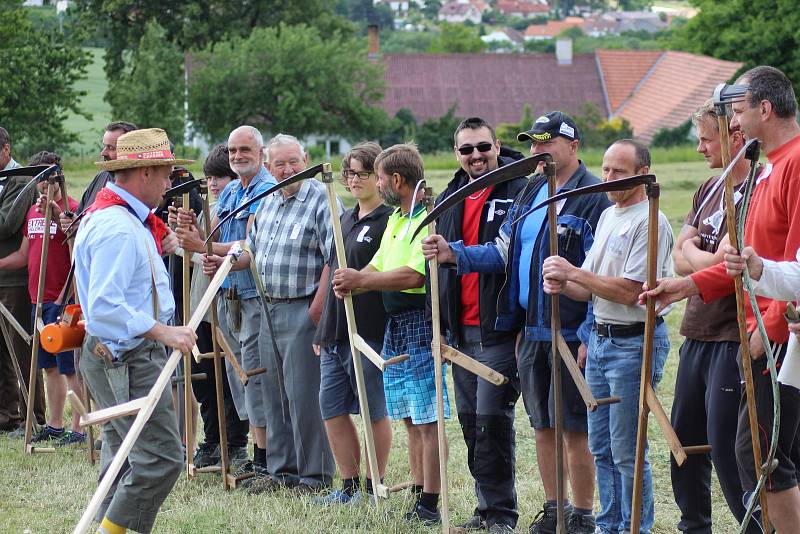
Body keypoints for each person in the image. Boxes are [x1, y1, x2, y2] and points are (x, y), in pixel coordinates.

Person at [423, 111, 608, 533]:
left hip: (570, 328)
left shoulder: (594, 196)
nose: (538, 150)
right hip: (530, 330)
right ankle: (554, 508)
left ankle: (582, 515)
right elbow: (503, 251)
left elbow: (601, 272)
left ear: (573, 146)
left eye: (547, 142)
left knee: (574, 428)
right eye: (533, 143)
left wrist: (587, 332)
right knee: (542, 425)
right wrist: (454, 253)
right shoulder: (531, 194)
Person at [641, 65, 800, 534]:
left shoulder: (794, 164)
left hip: (778, 338)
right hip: (762, 332)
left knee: (768, 458)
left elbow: (791, 266)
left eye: (737, 113)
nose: (734, 125)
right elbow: (747, 264)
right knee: (759, 455)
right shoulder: (770, 169)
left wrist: (765, 331)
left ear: (764, 110)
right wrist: (688, 285)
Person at [542, 139, 673, 534]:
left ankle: (635, 527)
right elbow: (591, 288)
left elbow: (633, 292)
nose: (609, 178)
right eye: (606, 169)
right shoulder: (609, 216)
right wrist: (564, 284)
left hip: (633, 342)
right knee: (600, 445)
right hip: (600, 341)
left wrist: (574, 272)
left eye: (619, 171)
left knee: (627, 449)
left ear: (642, 174)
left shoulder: (650, 220)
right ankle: (609, 524)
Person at [74, 128, 197, 534]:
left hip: (118, 355)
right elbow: (106, 308)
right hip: (126, 357)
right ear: (144, 172)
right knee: (161, 457)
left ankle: (109, 526)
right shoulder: (118, 228)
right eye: (164, 174)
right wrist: (165, 332)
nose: (168, 185)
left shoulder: (123, 219)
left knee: (124, 455)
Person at [205, 133, 336, 494]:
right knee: (274, 393)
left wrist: (318, 308)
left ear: (306, 159)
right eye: (279, 164)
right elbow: (251, 252)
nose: (287, 169)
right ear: (269, 165)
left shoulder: (321, 200)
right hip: (267, 307)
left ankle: (313, 476)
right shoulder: (268, 201)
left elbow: (334, 256)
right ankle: (282, 472)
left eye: (293, 161)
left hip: (302, 307)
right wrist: (223, 263)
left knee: (304, 394)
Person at [332, 143, 450, 525]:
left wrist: (361, 278)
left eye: (379, 177)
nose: (377, 183)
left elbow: (413, 276)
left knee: (428, 418)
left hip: (420, 322)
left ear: (396, 180)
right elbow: (380, 266)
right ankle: (419, 491)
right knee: (410, 418)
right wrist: (353, 283)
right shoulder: (398, 219)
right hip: (395, 325)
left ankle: (432, 500)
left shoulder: (424, 219)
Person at [422, 117, 526, 532]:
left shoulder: (519, 189)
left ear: (497, 145)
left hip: (498, 327)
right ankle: (484, 509)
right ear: (456, 154)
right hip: (459, 330)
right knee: (469, 422)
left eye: (483, 147)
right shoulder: (452, 195)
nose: (476, 156)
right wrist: (441, 324)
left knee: (492, 420)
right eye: (466, 149)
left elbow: (507, 254)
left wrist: (453, 253)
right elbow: (438, 267)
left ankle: (502, 513)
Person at [669, 100, 757, 533]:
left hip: (732, 333)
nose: (701, 148)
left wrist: (696, 258)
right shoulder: (707, 188)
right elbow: (680, 254)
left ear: (735, 137)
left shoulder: (756, 187)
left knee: (728, 447)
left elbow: (736, 265)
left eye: (706, 139)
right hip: (696, 331)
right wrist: (705, 256)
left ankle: (755, 524)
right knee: (684, 440)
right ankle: (694, 526)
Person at [176, 125, 275, 485]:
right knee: (238, 378)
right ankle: (251, 451)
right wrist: (193, 232)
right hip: (226, 298)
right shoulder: (232, 190)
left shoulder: (266, 192)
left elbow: (249, 247)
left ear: (260, 152)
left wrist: (202, 246)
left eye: (244, 150)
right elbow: (212, 237)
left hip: (253, 296)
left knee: (254, 377)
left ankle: (264, 457)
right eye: (232, 151)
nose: (237, 157)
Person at [311, 142, 393, 505]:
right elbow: (331, 274)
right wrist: (322, 326)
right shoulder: (344, 218)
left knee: (373, 409)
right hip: (335, 331)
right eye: (349, 173)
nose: (354, 179)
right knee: (331, 407)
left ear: (379, 176)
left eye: (362, 172)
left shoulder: (388, 220)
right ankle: (347, 485)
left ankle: (375, 485)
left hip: (369, 329)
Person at [0, 152, 84, 446]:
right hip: (37, 298)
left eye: (50, 179)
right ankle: (55, 423)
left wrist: (66, 296)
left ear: (60, 177)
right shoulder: (33, 213)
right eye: (39, 180)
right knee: (48, 366)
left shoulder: (71, 211)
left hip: (62, 301)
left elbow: (78, 259)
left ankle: (79, 427)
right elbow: (24, 255)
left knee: (69, 367)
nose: (45, 185)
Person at [178, 145, 250, 469]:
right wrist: (184, 237)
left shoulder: (235, 211)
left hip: (224, 304)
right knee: (203, 376)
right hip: (200, 303)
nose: (213, 183)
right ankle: (212, 440)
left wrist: (197, 243)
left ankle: (234, 442)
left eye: (220, 177)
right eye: (209, 177)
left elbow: (228, 253)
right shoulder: (212, 208)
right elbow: (193, 254)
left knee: (227, 374)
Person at [0, 125, 46, 433]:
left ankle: (36, 417)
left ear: (6, 149)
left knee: (22, 348)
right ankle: (8, 415)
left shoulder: (21, 180)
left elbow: (6, 224)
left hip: (15, 277)